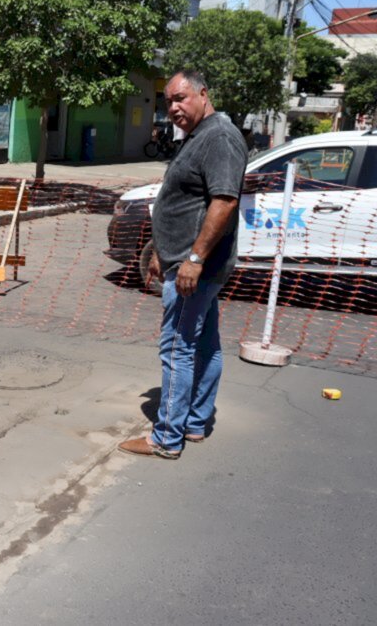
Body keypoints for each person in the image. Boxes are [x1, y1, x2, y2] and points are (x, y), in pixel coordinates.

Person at [119, 69, 247, 459]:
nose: (173, 107)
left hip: (196, 269)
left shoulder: (220, 137)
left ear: (203, 94)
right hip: (183, 261)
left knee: (177, 348)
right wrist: (161, 251)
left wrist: (192, 259)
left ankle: (166, 437)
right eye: (168, 101)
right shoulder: (198, 136)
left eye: (181, 98)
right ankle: (193, 423)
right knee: (203, 344)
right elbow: (184, 201)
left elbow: (224, 202)